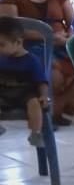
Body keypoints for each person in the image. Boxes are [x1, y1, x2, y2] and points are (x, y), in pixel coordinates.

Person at [0, 0, 74, 123]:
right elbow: (11, 29)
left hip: (63, 44)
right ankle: (49, 110)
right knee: (53, 74)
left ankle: (59, 105)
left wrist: (70, 35)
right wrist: (49, 37)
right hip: (31, 45)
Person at [0, 16, 49, 147]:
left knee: (34, 104)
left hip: (24, 94)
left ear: (18, 42)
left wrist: (44, 95)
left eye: (2, 45)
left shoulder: (31, 61)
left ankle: (35, 133)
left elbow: (41, 81)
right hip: (3, 93)